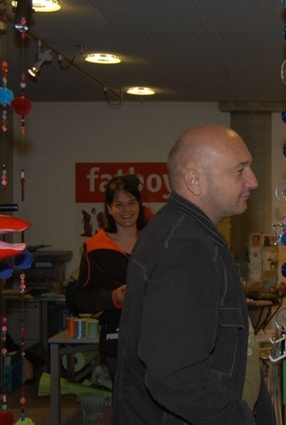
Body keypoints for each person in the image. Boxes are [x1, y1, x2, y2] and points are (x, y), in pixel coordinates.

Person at [113, 125, 260, 424]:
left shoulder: (181, 231)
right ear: (195, 180)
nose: (253, 180)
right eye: (240, 170)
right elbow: (177, 375)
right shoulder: (186, 247)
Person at [72, 174, 148, 377]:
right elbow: (80, 298)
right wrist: (113, 298)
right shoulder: (95, 248)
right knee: (126, 394)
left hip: (156, 336)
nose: (126, 210)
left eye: (131, 203)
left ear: (139, 205)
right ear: (109, 208)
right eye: (119, 205)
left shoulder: (154, 240)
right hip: (118, 338)